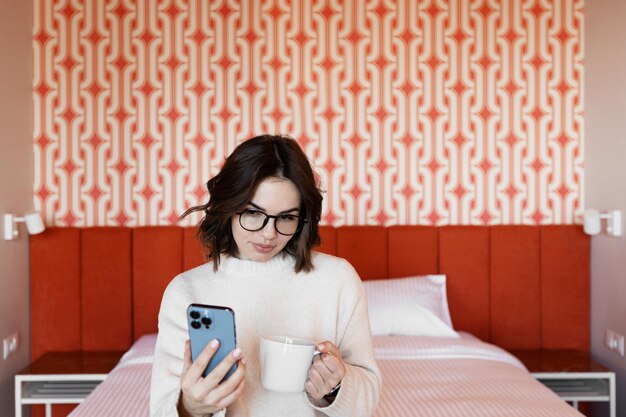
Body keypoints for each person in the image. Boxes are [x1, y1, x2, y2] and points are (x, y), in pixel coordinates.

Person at [150, 134, 381, 417]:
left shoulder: (338, 279)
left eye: (286, 217)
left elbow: (368, 398)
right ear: (228, 208)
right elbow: (161, 410)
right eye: (253, 213)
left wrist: (333, 390)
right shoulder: (186, 291)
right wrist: (190, 408)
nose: (268, 233)